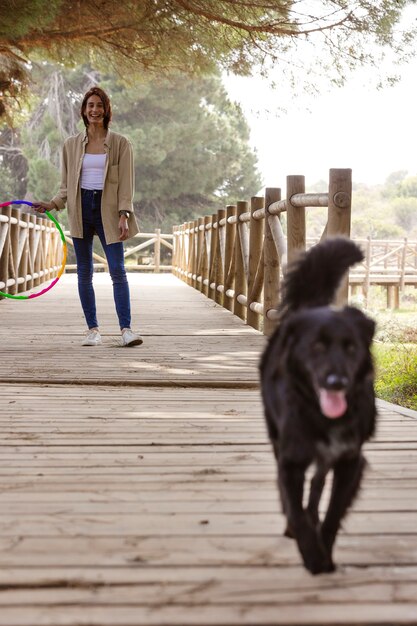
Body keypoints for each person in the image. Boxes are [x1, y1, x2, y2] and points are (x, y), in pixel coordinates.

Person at [34, 86, 143, 347]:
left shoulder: (120, 143)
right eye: (90, 106)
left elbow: (126, 184)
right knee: (85, 272)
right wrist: (52, 204)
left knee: (117, 270)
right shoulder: (71, 145)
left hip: (108, 209)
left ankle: (126, 330)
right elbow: (66, 186)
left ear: (106, 110)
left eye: (99, 105)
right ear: (84, 110)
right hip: (80, 208)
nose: (95, 110)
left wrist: (124, 214)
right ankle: (92, 330)